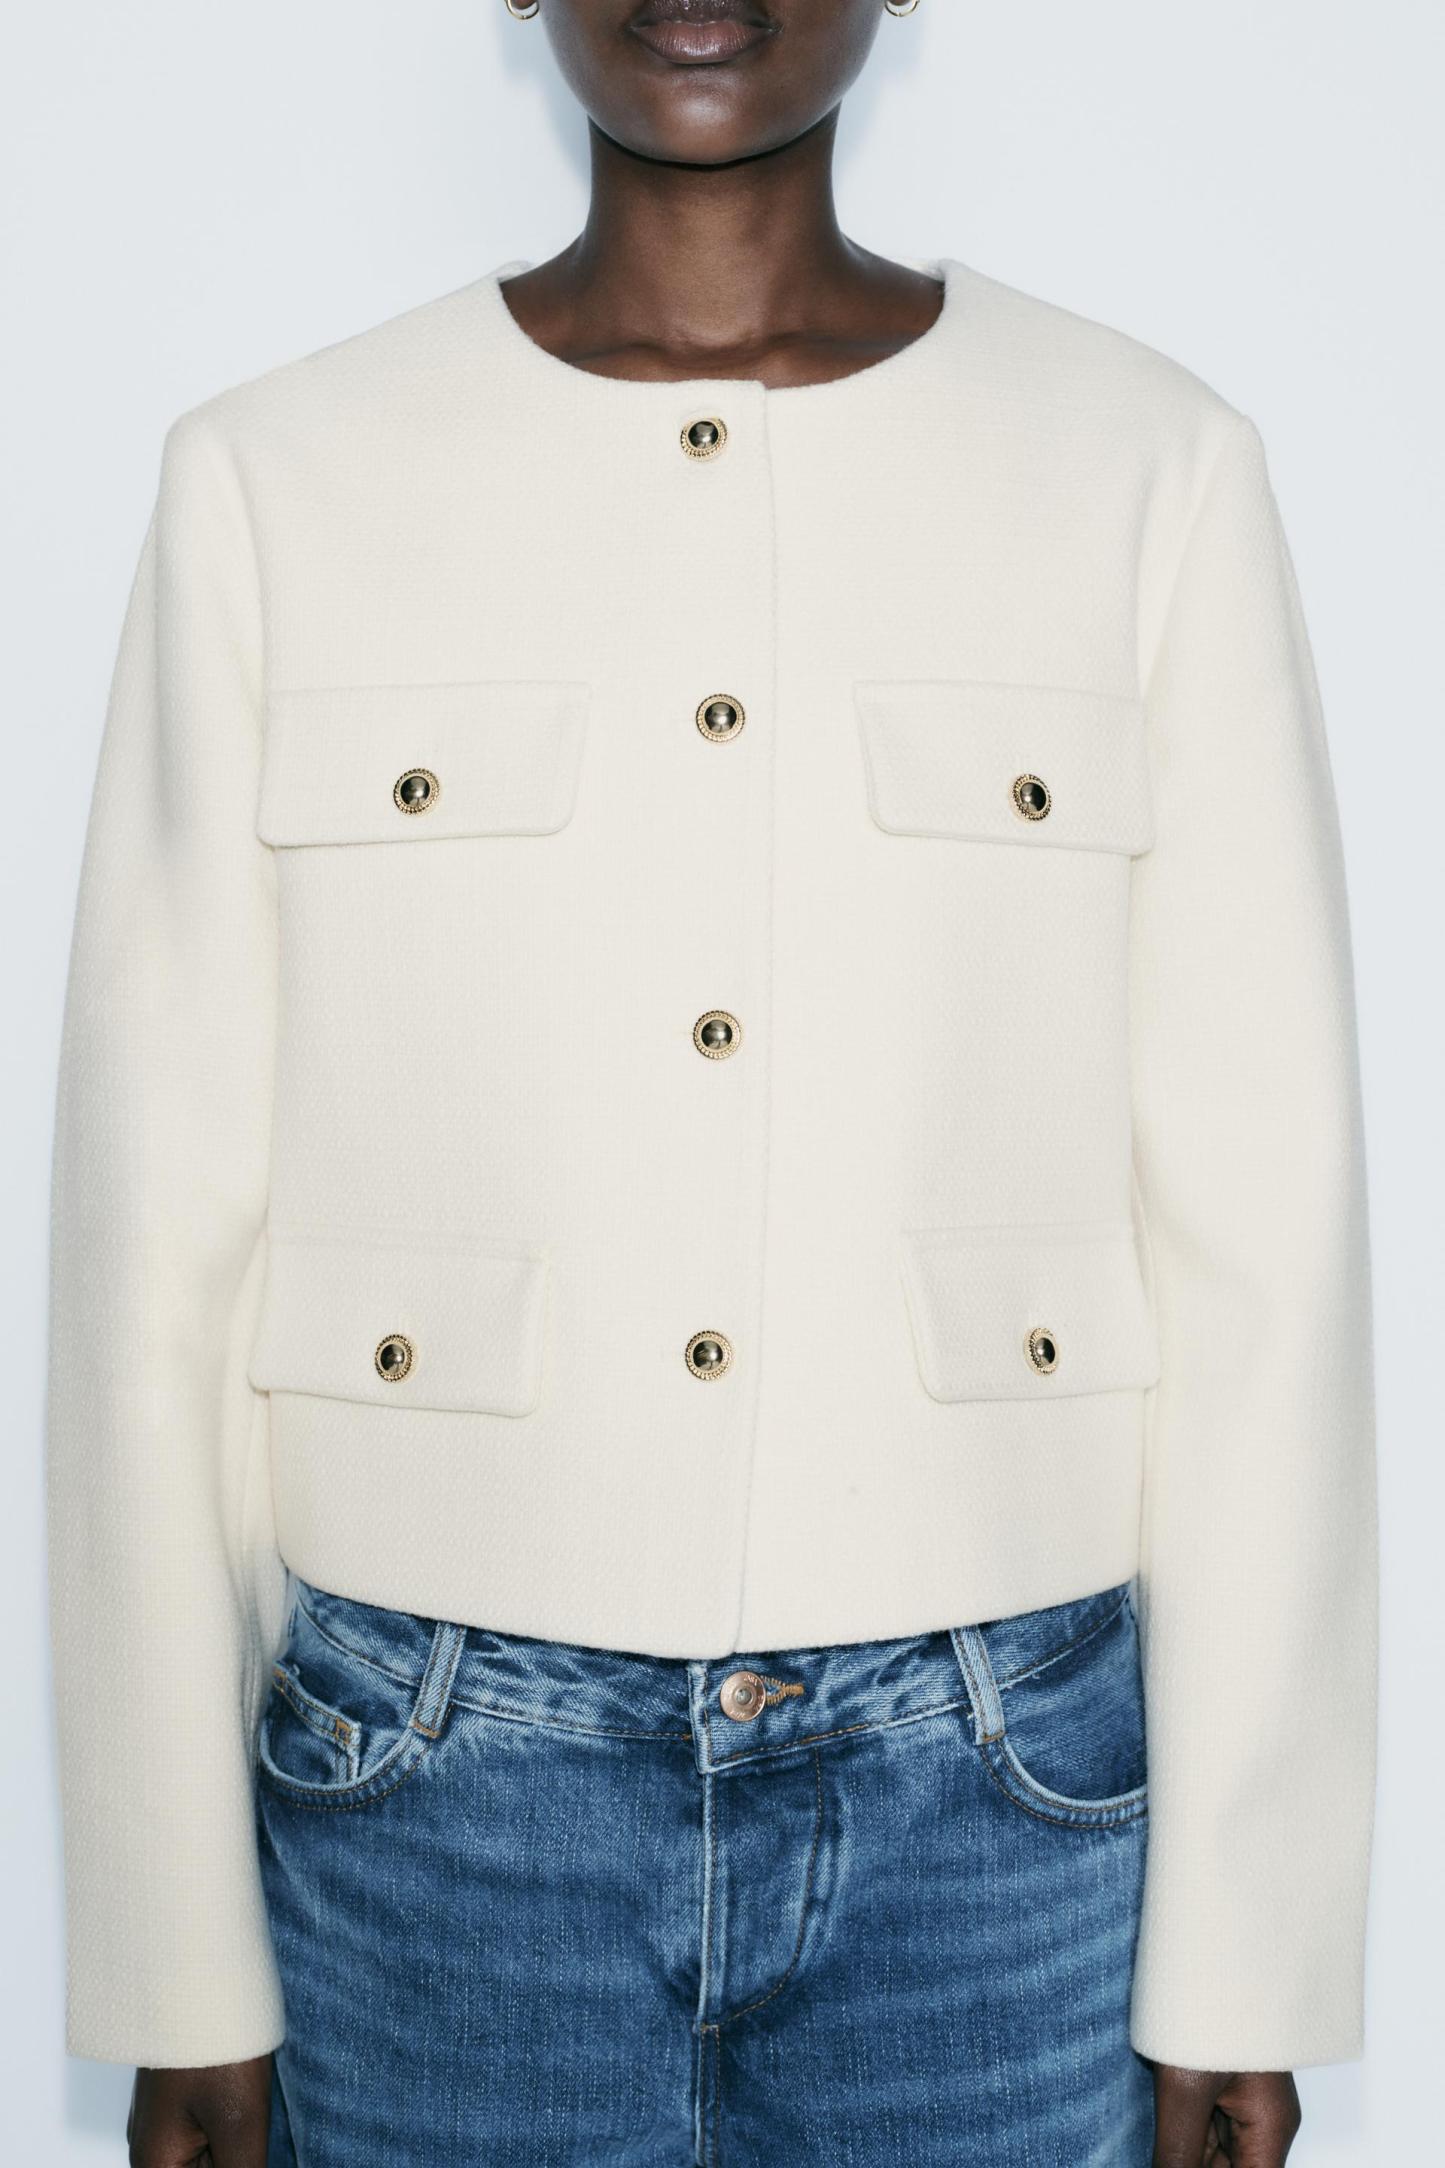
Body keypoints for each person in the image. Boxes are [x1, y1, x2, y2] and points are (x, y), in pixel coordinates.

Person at [45, 2, 1377, 2163]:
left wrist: (1250, 1942)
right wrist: (173, 1955)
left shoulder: (1145, 470)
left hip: (1001, 1820)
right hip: (429, 1809)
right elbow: (151, 1253)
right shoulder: (276, 482)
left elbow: (1263, 1237)